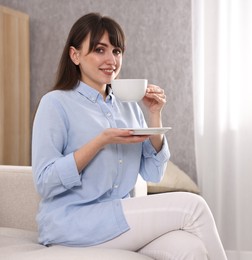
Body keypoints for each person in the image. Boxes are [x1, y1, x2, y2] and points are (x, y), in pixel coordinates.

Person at [32, 12, 227, 260]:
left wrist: (154, 114)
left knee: (191, 248)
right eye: (100, 50)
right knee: (194, 206)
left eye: (117, 51)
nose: (111, 59)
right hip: (73, 222)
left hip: (121, 217)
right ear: (75, 55)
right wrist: (100, 141)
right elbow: (44, 182)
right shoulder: (55, 104)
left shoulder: (128, 106)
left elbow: (153, 173)